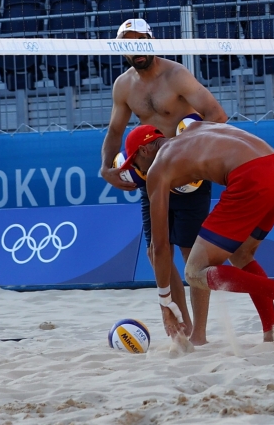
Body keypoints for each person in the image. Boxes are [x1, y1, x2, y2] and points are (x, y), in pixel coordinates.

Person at [99, 18, 231, 347]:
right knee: (156, 251)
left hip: (188, 174)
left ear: (151, 40)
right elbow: (115, 130)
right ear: (122, 49)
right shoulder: (124, 85)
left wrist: (184, 148)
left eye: (140, 40)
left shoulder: (176, 75)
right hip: (152, 175)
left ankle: (199, 335)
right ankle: (181, 325)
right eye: (129, 43)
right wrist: (105, 167)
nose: (136, 48)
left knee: (192, 254)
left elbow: (217, 115)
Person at [121, 121, 274, 349]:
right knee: (241, 253)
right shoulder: (194, 128)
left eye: (135, 163)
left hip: (251, 177)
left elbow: (159, 247)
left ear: (144, 150)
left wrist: (165, 303)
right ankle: (270, 331)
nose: (139, 171)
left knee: (194, 272)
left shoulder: (157, 169)